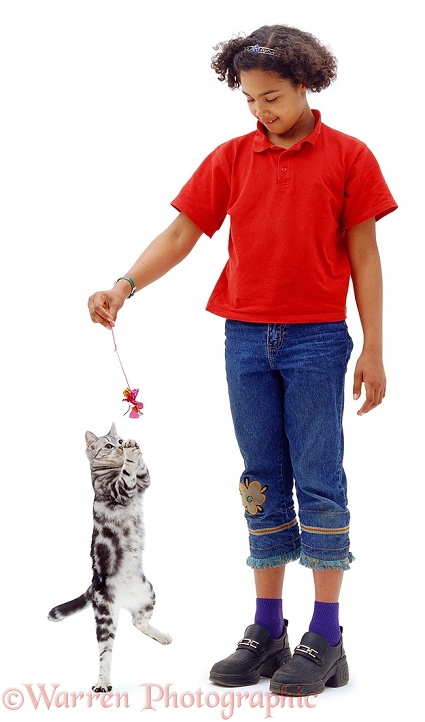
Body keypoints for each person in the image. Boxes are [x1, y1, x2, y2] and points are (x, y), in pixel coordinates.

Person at [88, 24, 397, 696]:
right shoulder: (232, 157)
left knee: (317, 478)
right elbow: (181, 232)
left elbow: (366, 255)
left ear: (306, 85)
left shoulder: (349, 156)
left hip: (316, 339)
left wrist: (373, 346)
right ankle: (266, 627)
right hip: (244, 339)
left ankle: (326, 634)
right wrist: (124, 285)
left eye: (273, 98)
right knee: (259, 478)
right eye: (251, 100)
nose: (261, 111)